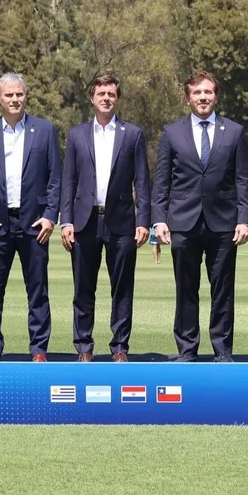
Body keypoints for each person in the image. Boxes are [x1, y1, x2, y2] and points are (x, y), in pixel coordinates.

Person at [152, 70, 248, 362]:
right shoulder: (172, 132)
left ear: (216, 95)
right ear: (188, 98)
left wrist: (245, 218)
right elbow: (162, 181)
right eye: (197, 93)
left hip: (223, 223)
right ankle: (187, 349)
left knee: (223, 290)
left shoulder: (233, 131)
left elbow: (243, 180)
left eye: (208, 92)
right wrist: (159, 218)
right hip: (183, 223)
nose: (203, 97)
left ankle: (222, 351)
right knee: (186, 289)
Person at [0, 73, 62, 362]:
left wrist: (49, 216)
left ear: (26, 96)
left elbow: (55, 178)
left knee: (38, 290)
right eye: (8, 95)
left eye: (19, 94)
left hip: (34, 223)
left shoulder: (44, 130)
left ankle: (38, 350)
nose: (14, 99)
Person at [60, 74, 151, 362]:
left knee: (122, 288)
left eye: (111, 93)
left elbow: (142, 181)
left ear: (117, 98)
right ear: (92, 98)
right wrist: (66, 221)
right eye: (101, 93)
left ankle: (120, 347)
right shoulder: (76, 134)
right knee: (83, 288)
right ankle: (84, 347)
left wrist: (143, 220)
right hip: (84, 221)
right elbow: (69, 181)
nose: (106, 98)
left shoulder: (132, 134)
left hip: (122, 222)